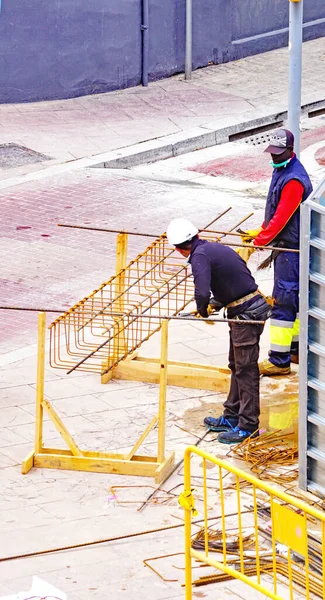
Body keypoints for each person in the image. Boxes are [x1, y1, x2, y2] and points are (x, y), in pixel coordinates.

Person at [166, 218, 271, 444]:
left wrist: (203, 308)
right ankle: (232, 416)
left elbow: (202, 291)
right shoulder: (214, 248)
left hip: (247, 314)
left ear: (178, 248)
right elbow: (232, 284)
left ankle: (248, 426)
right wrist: (216, 304)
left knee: (246, 370)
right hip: (247, 309)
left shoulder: (199, 257)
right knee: (237, 366)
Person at [243, 128, 313, 376]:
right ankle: (294, 351)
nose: (273, 157)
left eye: (278, 153)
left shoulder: (294, 180)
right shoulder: (282, 169)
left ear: (291, 151)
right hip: (286, 247)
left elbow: (282, 218)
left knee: (284, 301)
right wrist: (259, 230)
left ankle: (279, 360)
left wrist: (258, 242)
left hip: (291, 251)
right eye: (271, 153)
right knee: (292, 301)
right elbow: (274, 211)